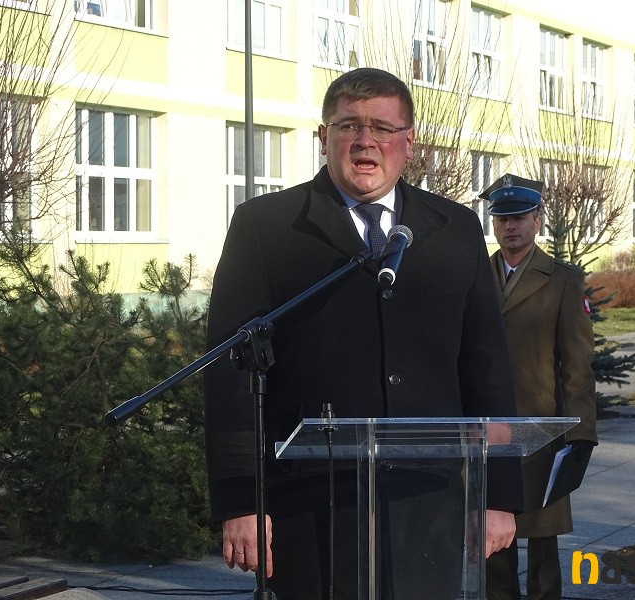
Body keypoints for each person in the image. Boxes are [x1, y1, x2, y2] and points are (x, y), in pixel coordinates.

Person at [204, 67, 522, 600]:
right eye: (348, 125)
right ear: (323, 137)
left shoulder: (456, 229)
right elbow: (229, 374)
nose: (365, 141)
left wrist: (500, 495)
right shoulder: (265, 226)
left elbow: (487, 368)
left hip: (432, 498)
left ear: (409, 142)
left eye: (382, 127)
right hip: (310, 503)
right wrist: (241, 501)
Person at [482, 174, 598, 600]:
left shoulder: (562, 279)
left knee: (543, 548)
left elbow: (577, 363)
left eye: (519, 217)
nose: (510, 226)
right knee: (493, 543)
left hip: (541, 431)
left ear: (537, 220)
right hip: (488, 428)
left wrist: (581, 433)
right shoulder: (476, 275)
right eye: (502, 219)